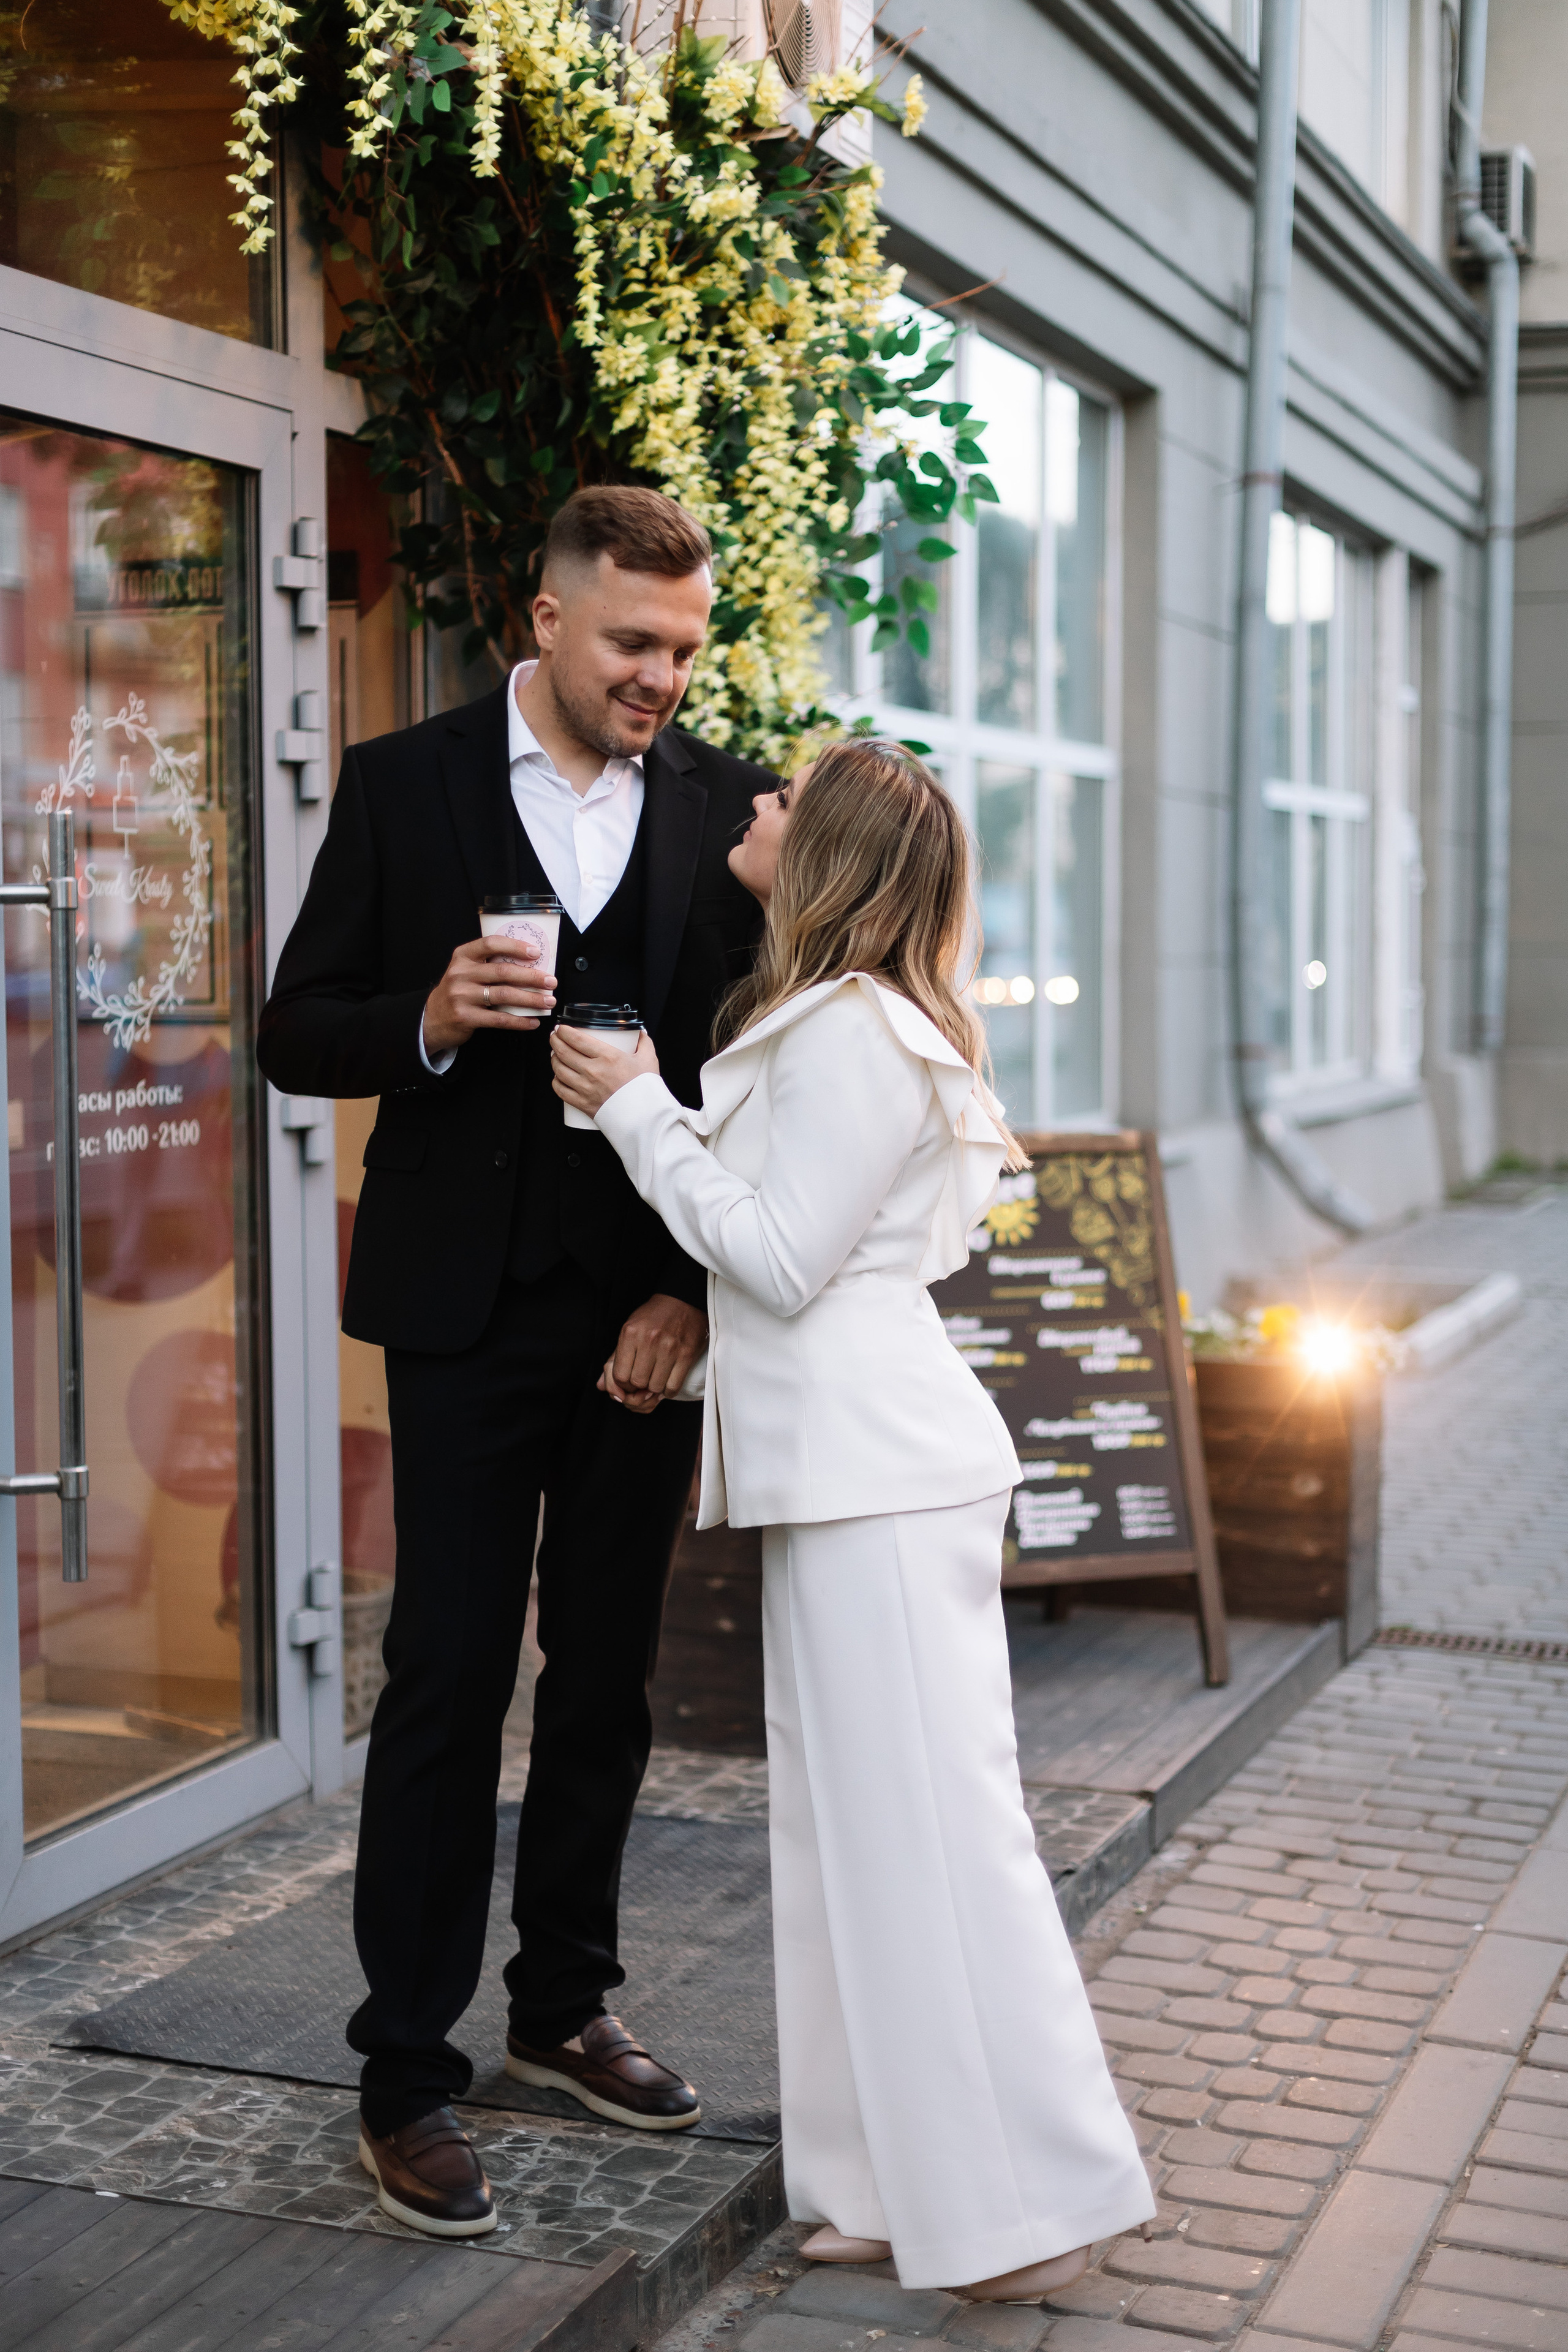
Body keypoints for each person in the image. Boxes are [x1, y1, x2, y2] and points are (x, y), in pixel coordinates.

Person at [550, 739, 1156, 2299]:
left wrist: (634, 1109)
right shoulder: (839, 1021)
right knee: (846, 1851)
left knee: (937, 1849)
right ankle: (890, 2183)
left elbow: (777, 1255)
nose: (750, 806)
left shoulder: (853, 1039)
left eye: (778, 804)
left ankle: (1030, 2203)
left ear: (817, 857)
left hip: (885, 1482)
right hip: (854, 1477)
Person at [256, 486, 771, 2240]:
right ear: (543, 621)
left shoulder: (724, 804)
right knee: (448, 1677)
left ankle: (560, 2006)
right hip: (464, 1312)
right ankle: (407, 2070)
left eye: (685, 651)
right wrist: (422, 1021)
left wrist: (695, 1291)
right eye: (636, 643)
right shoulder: (405, 785)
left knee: (610, 1676)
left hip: (645, 1317)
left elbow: (757, 1084)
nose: (664, 680)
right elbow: (290, 1029)